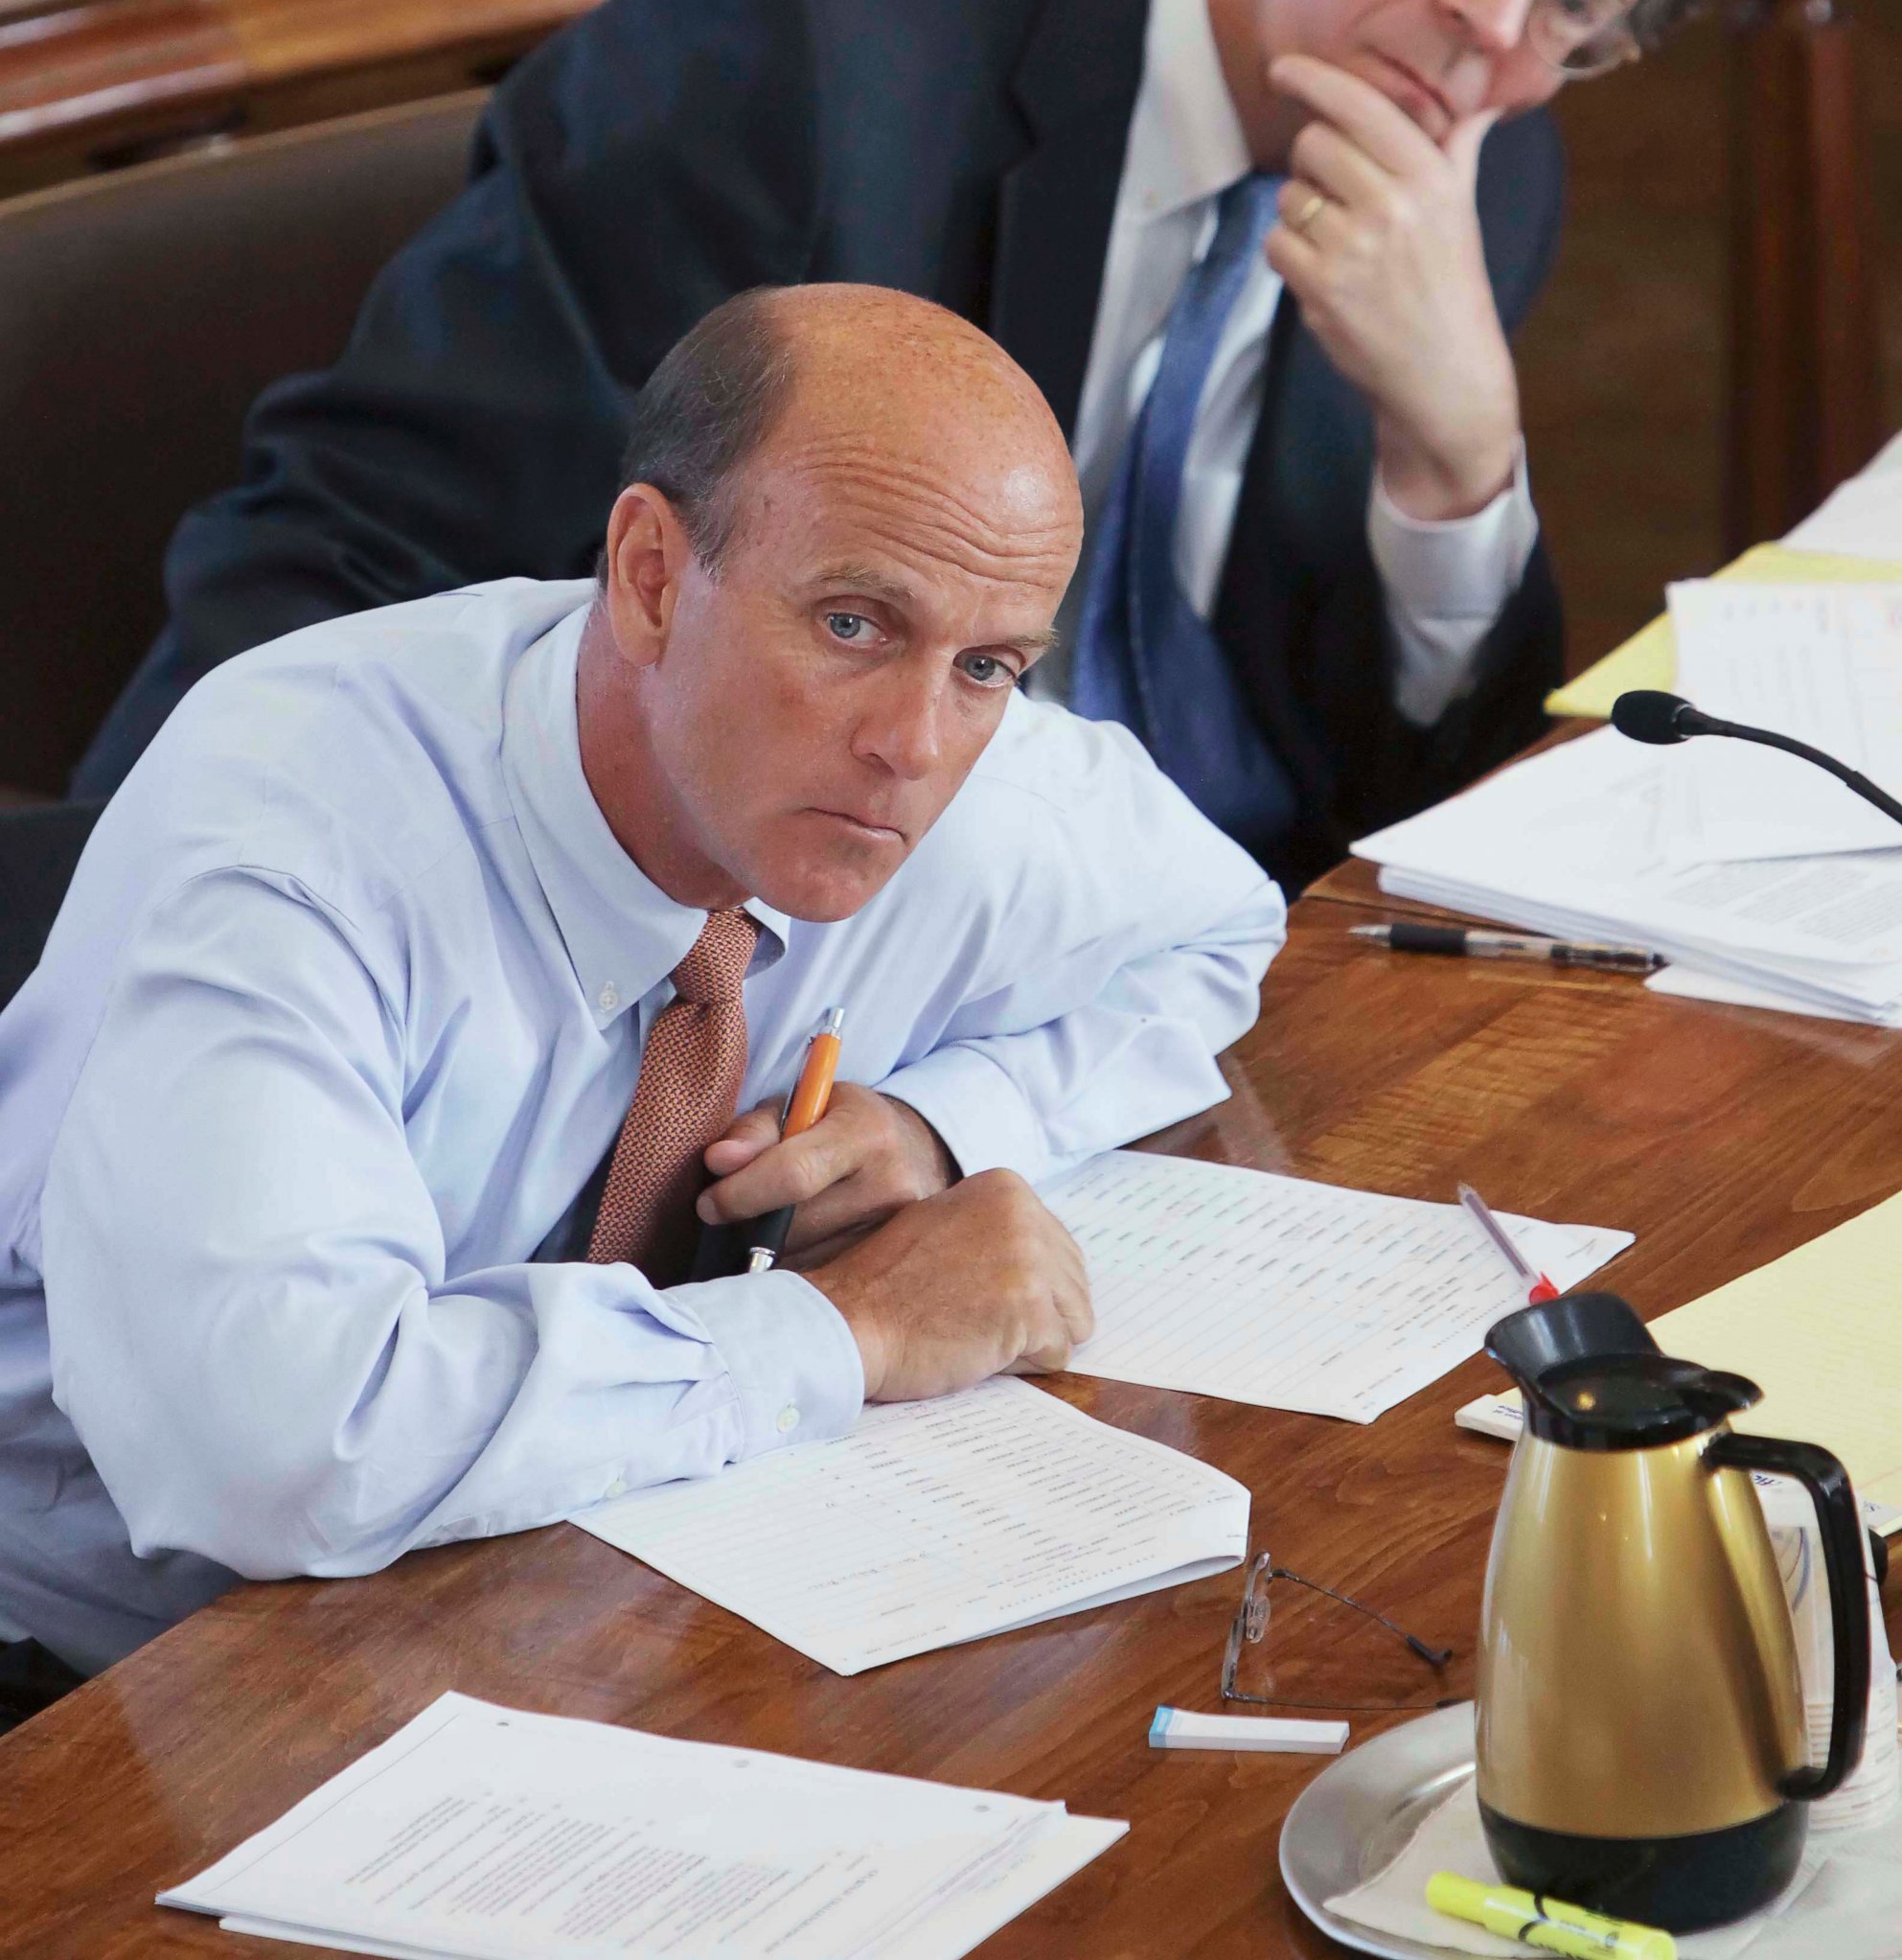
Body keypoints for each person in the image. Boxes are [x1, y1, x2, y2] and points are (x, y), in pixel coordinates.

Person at [74, 0, 1753, 887]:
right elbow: (348, 583)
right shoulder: (800, 68)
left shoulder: (1478, 176)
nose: (1494, 28)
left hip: (1161, 1010)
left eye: (1580, 2)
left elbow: (1396, 793)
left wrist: (1456, 461)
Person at [0, 287, 1283, 1712]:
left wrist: (937, 1122)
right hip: (113, 1676)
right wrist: (846, 1331)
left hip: (575, 1592)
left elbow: (1217, 932)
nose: (914, 744)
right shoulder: (298, 834)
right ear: (651, 576)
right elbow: (283, 1448)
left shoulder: (944, 778)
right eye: (853, 624)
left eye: (988, 666)